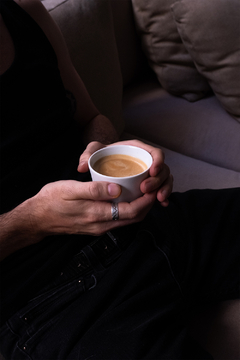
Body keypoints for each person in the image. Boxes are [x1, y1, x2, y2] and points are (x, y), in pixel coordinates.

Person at [0, 0, 239, 359]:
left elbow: (93, 118)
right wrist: (34, 220)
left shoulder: (25, 13)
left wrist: (105, 148)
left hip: (144, 229)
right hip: (48, 302)